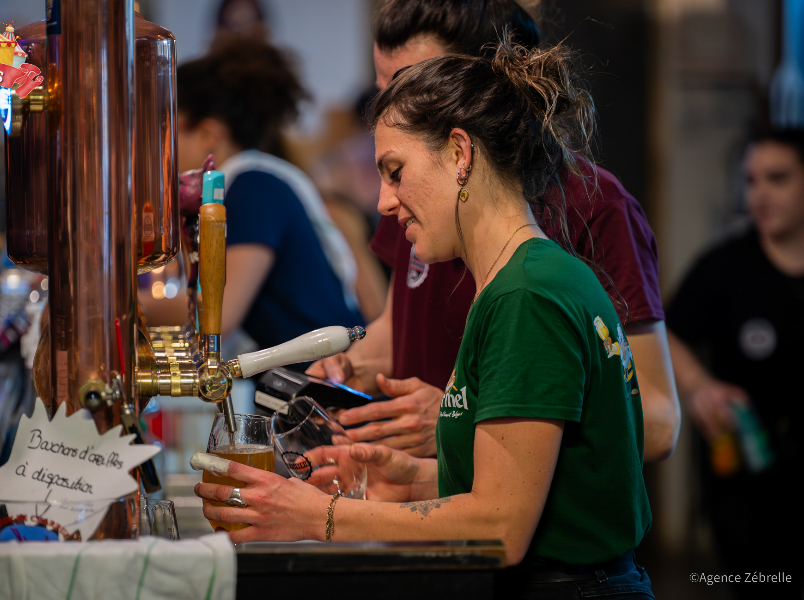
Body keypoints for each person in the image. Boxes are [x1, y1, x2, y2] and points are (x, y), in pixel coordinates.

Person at [196, 37, 653, 599]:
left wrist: (318, 516)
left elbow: (500, 527)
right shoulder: (518, 280)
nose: (384, 202)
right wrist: (408, 480)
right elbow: (535, 481)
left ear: (460, 154)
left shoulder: (527, 296)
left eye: (396, 170)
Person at [308, 0, 680, 462]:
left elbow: (658, 422)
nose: (386, 112)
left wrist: (459, 420)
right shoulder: (410, 188)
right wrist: (350, 368)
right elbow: (404, 329)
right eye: (382, 89)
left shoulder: (592, 207)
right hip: (430, 501)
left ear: (480, 89)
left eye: (407, 86)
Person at [668, 130, 803, 599]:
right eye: (750, 180)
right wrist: (700, 385)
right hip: (743, 471)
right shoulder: (726, 266)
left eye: (777, 179)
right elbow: (664, 332)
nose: (759, 194)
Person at [176, 36, 364, 351]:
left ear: (208, 134)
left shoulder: (253, 186)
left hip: (331, 386)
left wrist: (126, 306)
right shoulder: (251, 180)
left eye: (168, 131)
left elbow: (217, 317)